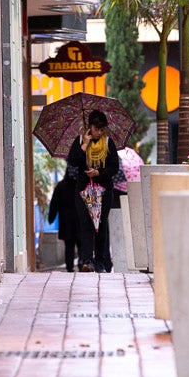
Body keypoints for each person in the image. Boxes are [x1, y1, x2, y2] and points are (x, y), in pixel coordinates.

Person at [67, 109, 120, 273]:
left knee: (101, 225)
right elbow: (73, 161)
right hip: (83, 192)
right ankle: (87, 260)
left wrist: (98, 173)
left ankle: (100, 261)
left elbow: (114, 167)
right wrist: (84, 146)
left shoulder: (108, 143)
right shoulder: (81, 141)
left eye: (102, 129)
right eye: (97, 129)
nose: (99, 132)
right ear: (89, 127)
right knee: (86, 225)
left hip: (104, 192)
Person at [47, 174, 79, 272]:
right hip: (80, 221)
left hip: (66, 222)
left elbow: (54, 203)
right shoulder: (81, 185)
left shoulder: (61, 186)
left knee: (69, 245)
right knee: (81, 244)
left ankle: (69, 267)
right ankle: (83, 263)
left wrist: (51, 217)